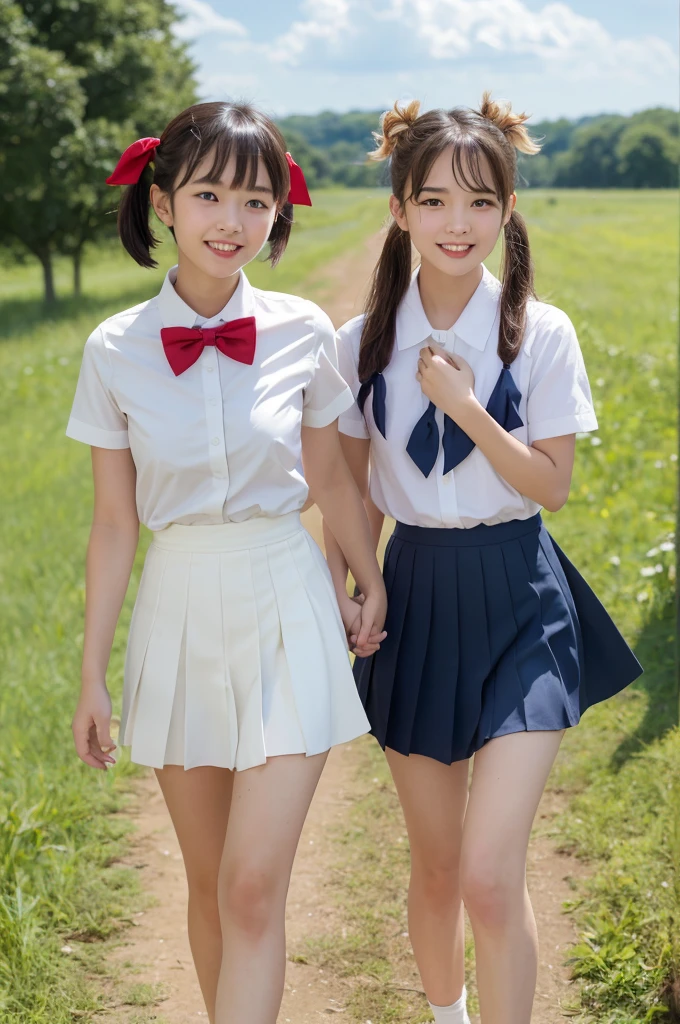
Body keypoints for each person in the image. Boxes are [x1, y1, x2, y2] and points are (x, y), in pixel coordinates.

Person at [323, 93, 642, 1024]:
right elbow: (357, 492)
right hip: (417, 595)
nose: (456, 225)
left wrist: (466, 408)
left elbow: (551, 486)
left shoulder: (541, 332)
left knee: (490, 873)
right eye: (432, 202)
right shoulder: (360, 346)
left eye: (479, 203)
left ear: (507, 210)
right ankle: (446, 1014)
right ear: (398, 209)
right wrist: (359, 585)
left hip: (520, 598)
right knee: (434, 863)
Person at [67, 100, 387, 1024]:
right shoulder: (114, 350)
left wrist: (366, 573)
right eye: (208, 195)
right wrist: (92, 674)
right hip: (179, 609)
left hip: (286, 596)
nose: (232, 222)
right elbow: (114, 523)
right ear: (162, 200)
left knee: (252, 888)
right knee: (209, 888)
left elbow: (327, 470)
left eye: (256, 202)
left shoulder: (301, 331)